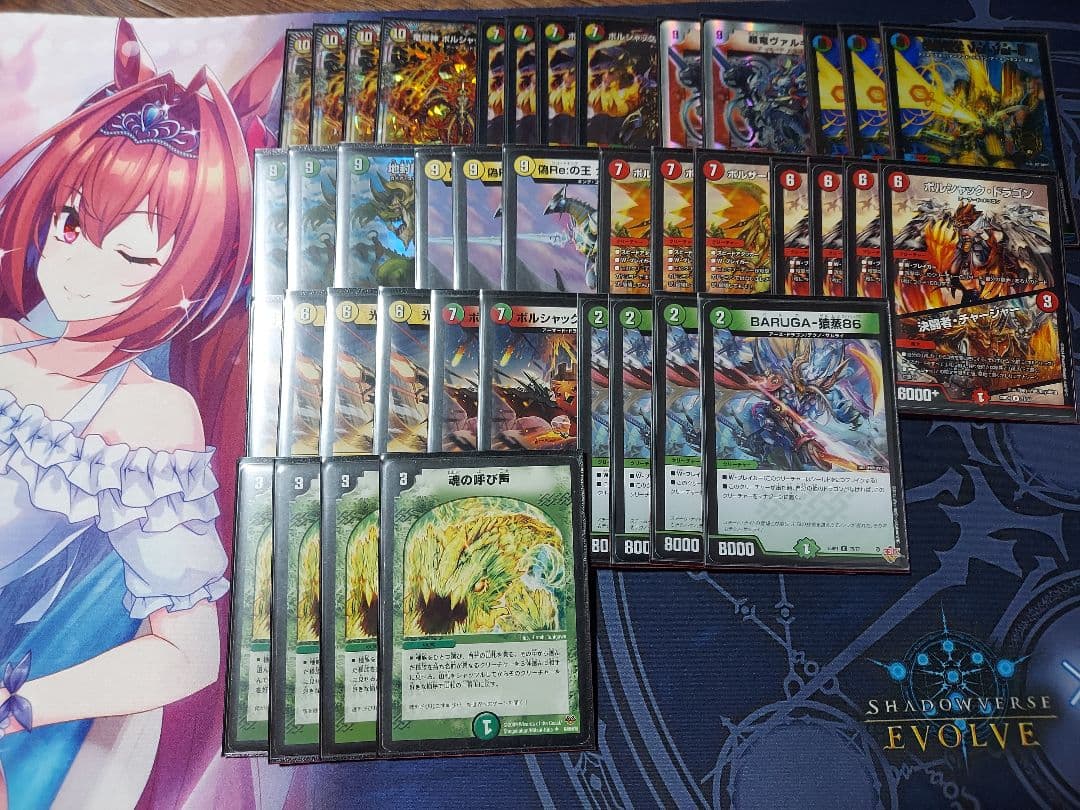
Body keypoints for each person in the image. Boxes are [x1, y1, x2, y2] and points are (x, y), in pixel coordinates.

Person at [0, 19, 278, 809]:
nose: (75, 268)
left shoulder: (148, 418)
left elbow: (186, 654)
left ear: (187, 273)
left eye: (129, 254)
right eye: (71, 224)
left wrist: (19, 709)